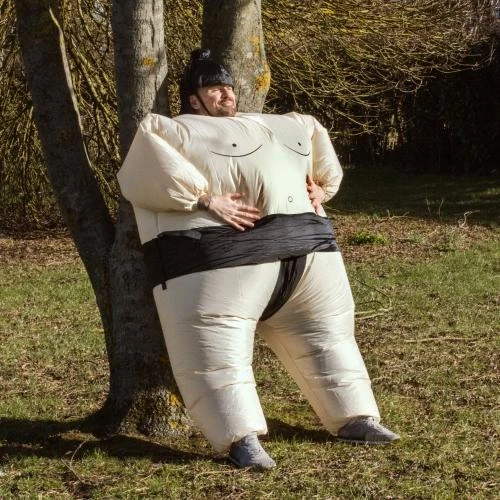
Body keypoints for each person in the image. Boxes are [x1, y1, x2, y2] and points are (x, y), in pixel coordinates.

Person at [117, 48, 399, 470]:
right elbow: (141, 169)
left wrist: (323, 187)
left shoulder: (284, 124)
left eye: (228, 87)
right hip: (220, 261)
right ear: (194, 99)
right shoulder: (173, 130)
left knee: (329, 338)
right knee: (216, 351)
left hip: (308, 256)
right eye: (214, 88)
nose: (226, 94)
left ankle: (356, 418)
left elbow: (317, 143)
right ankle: (241, 438)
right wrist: (204, 198)